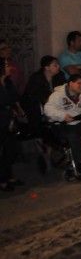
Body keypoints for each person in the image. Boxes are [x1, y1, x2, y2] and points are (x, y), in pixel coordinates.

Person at [0, 58, 25, 191]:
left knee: (11, 150)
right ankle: (3, 180)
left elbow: (14, 98)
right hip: (2, 120)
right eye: (6, 65)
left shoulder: (8, 82)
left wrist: (18, 110)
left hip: (9, 119)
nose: (10, 67)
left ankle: (9, 176)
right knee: (4, 151)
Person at [22, 55, 66, 131]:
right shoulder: (36, 78)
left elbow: (64, 90)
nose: (58, 66)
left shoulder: (60, 75)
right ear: (47, 67)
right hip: (36, 106)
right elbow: (36, 96)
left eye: (58, 64)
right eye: (55, 65)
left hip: (53, 104)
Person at [58, 31, 81, 106]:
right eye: (79, 41)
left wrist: (77, 66)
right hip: (74, 92)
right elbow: (73, 73)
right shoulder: (64, 56)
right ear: (72, 42)